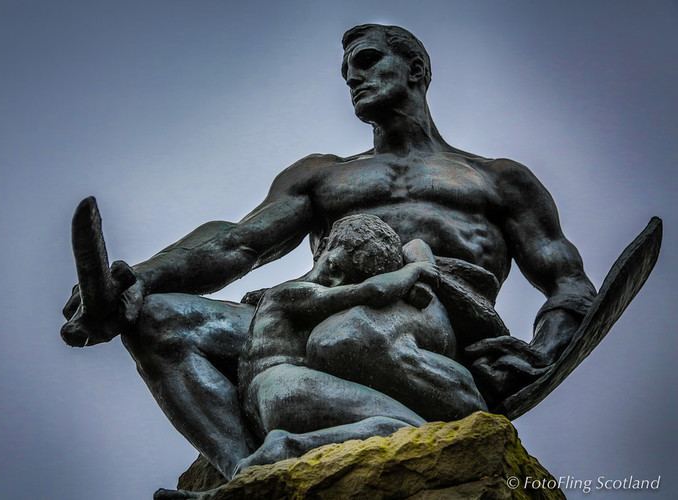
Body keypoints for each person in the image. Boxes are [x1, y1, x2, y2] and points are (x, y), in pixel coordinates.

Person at [62, 24, 596, 480]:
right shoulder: (323, 174)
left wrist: (541, 357)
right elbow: (237, 242)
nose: (354, 79)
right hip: (318, 310)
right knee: (158, 321)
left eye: (366, 61)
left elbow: (568, 285)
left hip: (431, 318)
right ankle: (250, 476)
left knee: (348, 336)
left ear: (415, 68)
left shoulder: (497, 179)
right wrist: (138, 280)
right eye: (346, 74)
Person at [235, 214, 486, 473]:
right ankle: (288, 447)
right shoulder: (290, 293)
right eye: (334, 266)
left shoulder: (287, 296)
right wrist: (415, 270)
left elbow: (414, 246)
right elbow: (374, 292)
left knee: (402, 426)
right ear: (323, 249)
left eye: (349, 277)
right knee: (409, 428)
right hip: (285, 387)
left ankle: (289, 449)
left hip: (264, 397)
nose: (335, 279)